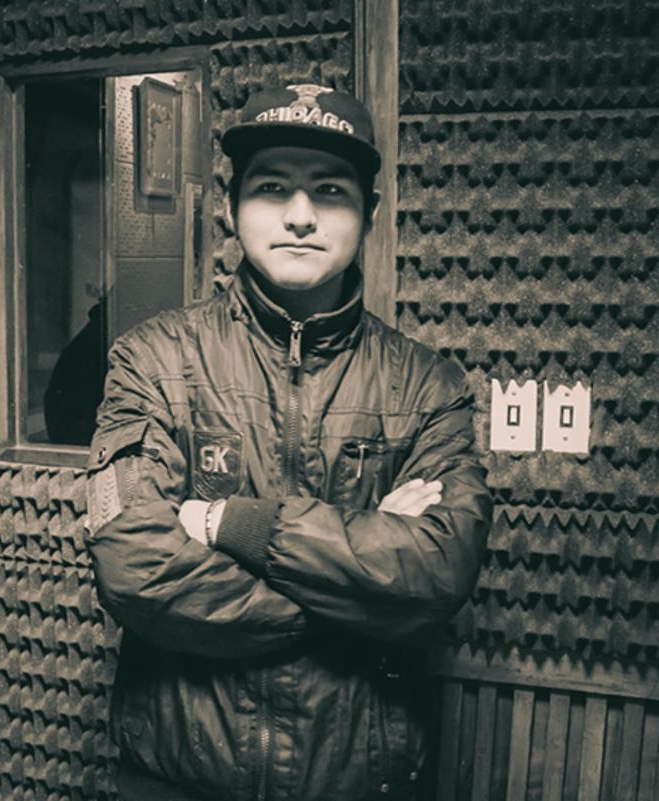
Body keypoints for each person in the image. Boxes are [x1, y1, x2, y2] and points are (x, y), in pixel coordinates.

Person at [84, 83, 492, 801]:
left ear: (371, 212)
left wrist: (233, 525)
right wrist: (354, 600)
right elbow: (133, 566)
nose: (300, 215)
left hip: (359, 782)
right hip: (179, 779)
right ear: (229, 206)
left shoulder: (429, 387)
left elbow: (438, 573)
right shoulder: (151, 360)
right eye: (272, 187)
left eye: (329, 191)